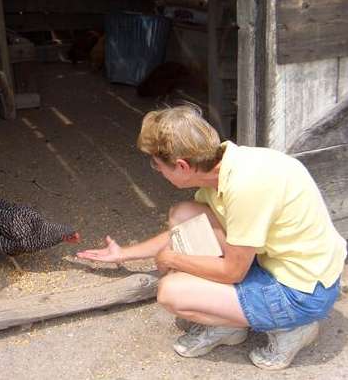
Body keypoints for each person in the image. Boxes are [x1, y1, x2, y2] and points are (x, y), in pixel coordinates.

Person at [76, 104, 347, 370]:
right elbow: (183, 229)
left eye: (158, 165)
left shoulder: (246, 186)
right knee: (184, 214)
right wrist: (124, 253)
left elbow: (233, 272)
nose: (157, 170)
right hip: (280, 264)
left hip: (301, 292)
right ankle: (230, 325)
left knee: (171, 291)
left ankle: (292, 329)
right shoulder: (229, 165)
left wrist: (173, 259)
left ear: (182, 166)